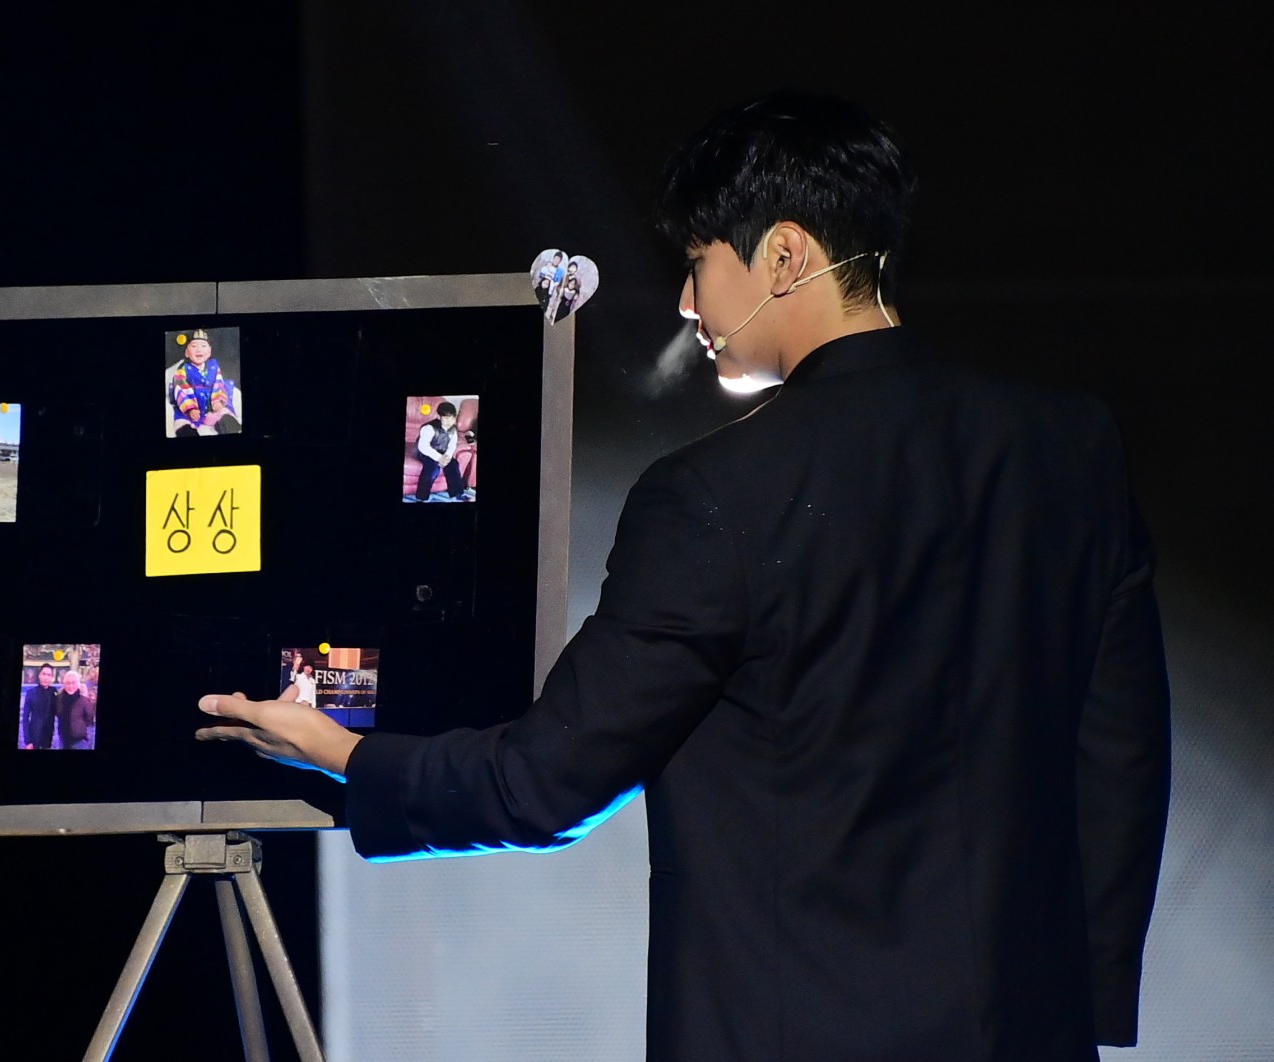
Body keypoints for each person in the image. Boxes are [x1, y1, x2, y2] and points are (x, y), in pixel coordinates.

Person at [197, 92, 1170, 1060]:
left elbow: (545, 785)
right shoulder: (1070, 449)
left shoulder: (713, 494)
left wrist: (342, 753)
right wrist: (1084, 1000)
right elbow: (1121, 757)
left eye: (698, 262)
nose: (686, 305)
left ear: (783, 256)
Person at [169, 329, 240, 437]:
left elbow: (219, 384)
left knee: (224, 412)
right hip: (192, 408)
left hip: (211, 406)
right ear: (186, 352)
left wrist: (218, 402)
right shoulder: (182, 371)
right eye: (194, 346)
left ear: (209, 352)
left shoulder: (214, 367)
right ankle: (187, 431)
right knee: (181, 421)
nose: (199, 350)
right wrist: (191, 408)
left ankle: (227, 424)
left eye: (203, 346)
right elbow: (181, 390)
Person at [412, 401, 473, 502]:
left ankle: (457, 493)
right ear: (439, 417)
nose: (450, 422)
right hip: (425, 452)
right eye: (446, 418)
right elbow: (423, 446)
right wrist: (439, 458)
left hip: (442, 452)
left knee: (453, 464)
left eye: (452, 418)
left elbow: (452, 445)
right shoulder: (429, 428)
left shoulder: (453, 430)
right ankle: (422, 496)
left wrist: (447, 457)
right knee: (432, 467)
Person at [20, 663, 58, 750]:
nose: (46, 677)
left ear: (52, 677)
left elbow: (58, 711)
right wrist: (27, 741)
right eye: (44, 674)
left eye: (49, 675)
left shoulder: (54, 692)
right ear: (39, 675)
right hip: (34, 737)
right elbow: (25, 718)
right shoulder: (31, 693)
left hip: (48, 737)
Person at [55, 669, 95, 750]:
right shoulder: (58, 699)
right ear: (64, 684)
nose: (70, 686)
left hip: (80, 742)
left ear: (78, 684)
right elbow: (57, 714)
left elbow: (89, 719)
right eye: (68, 683)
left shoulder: (84, 701)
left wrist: (79, 727)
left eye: (73, 683)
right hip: (63, 740)